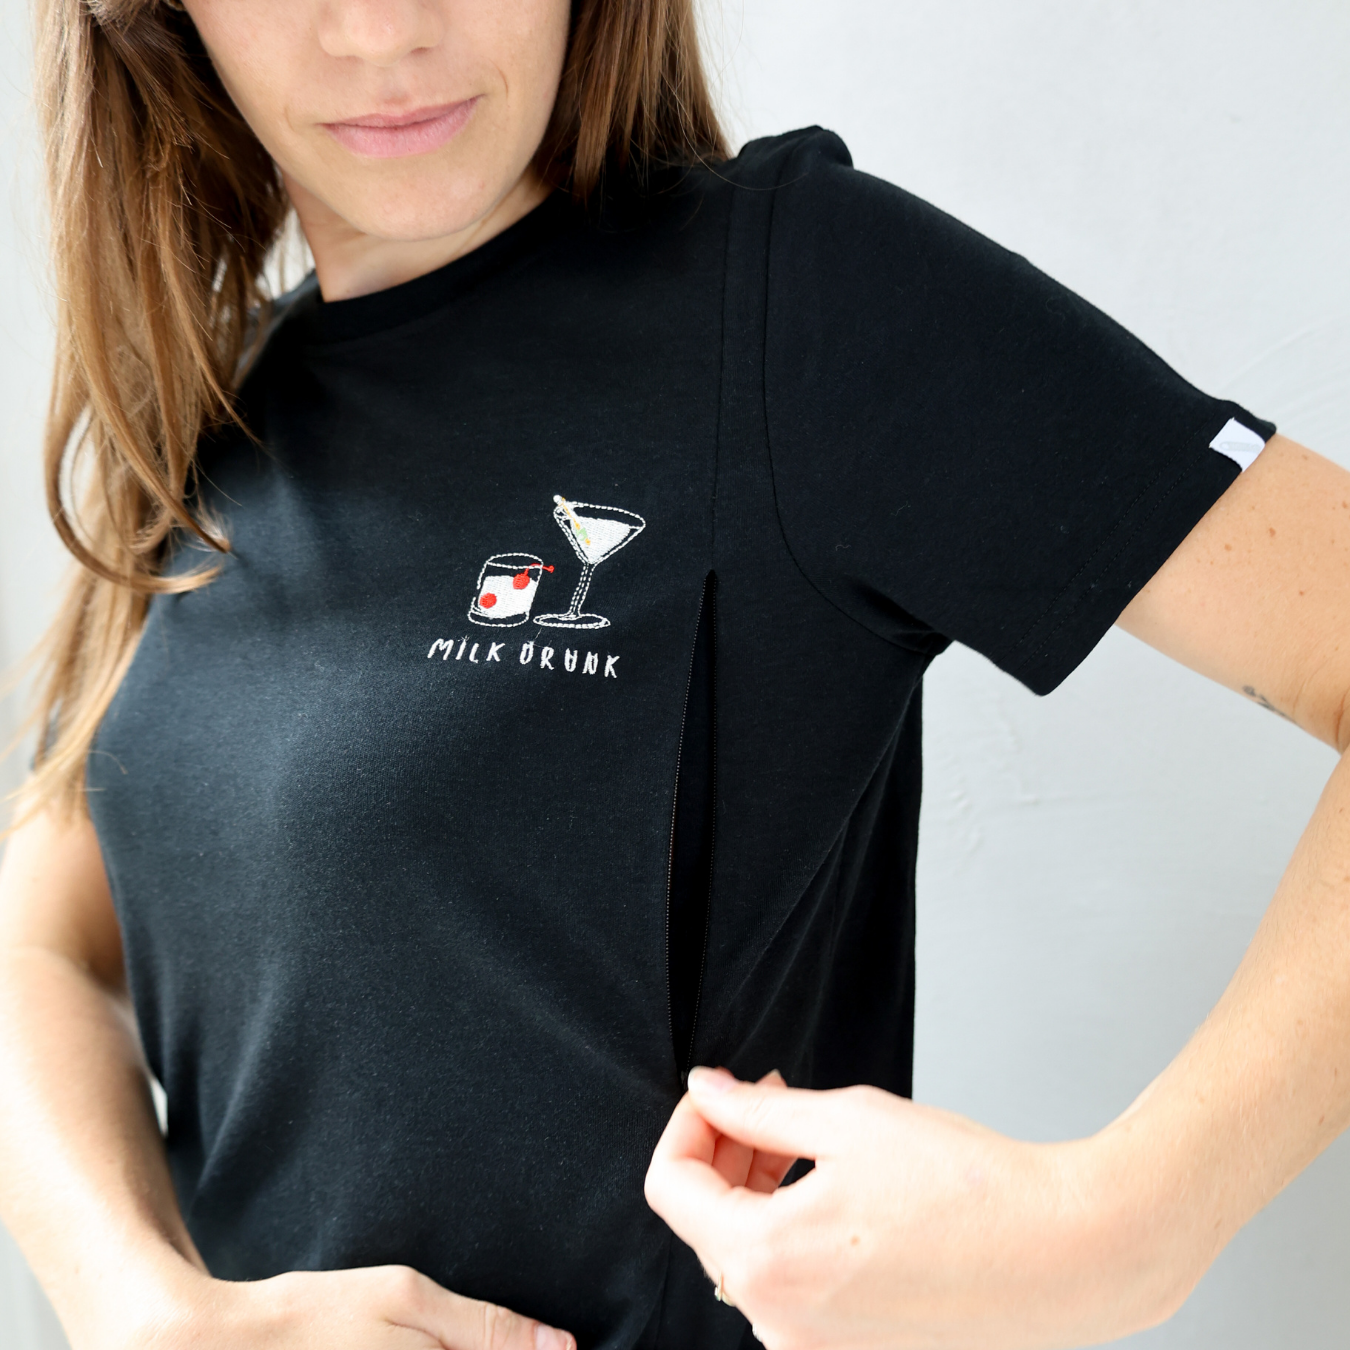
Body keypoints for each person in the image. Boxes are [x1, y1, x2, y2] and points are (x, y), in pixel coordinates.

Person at [1, 1, 1348, 1348]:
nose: (380, 29)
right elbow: (44, 936)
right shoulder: (210, 403)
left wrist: (1124, 1228)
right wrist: (140, 1306)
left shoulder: (795, 297)